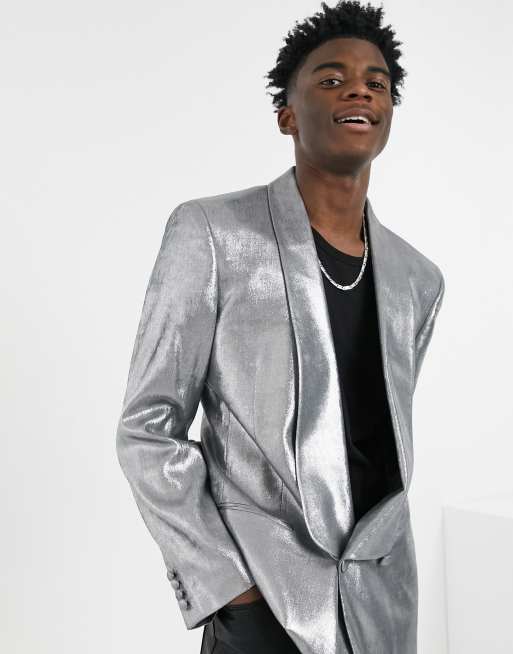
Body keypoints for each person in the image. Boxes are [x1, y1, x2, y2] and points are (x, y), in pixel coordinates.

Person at [116, 2, 446, 653]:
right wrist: (225, 585)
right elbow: (147, 428)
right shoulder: (213, 234)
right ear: (286, 114)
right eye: (331, 78)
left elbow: (375, 443)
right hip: (262, 600)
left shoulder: (418, 280)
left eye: (376, 82)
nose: (358, 90)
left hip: (383, 607)